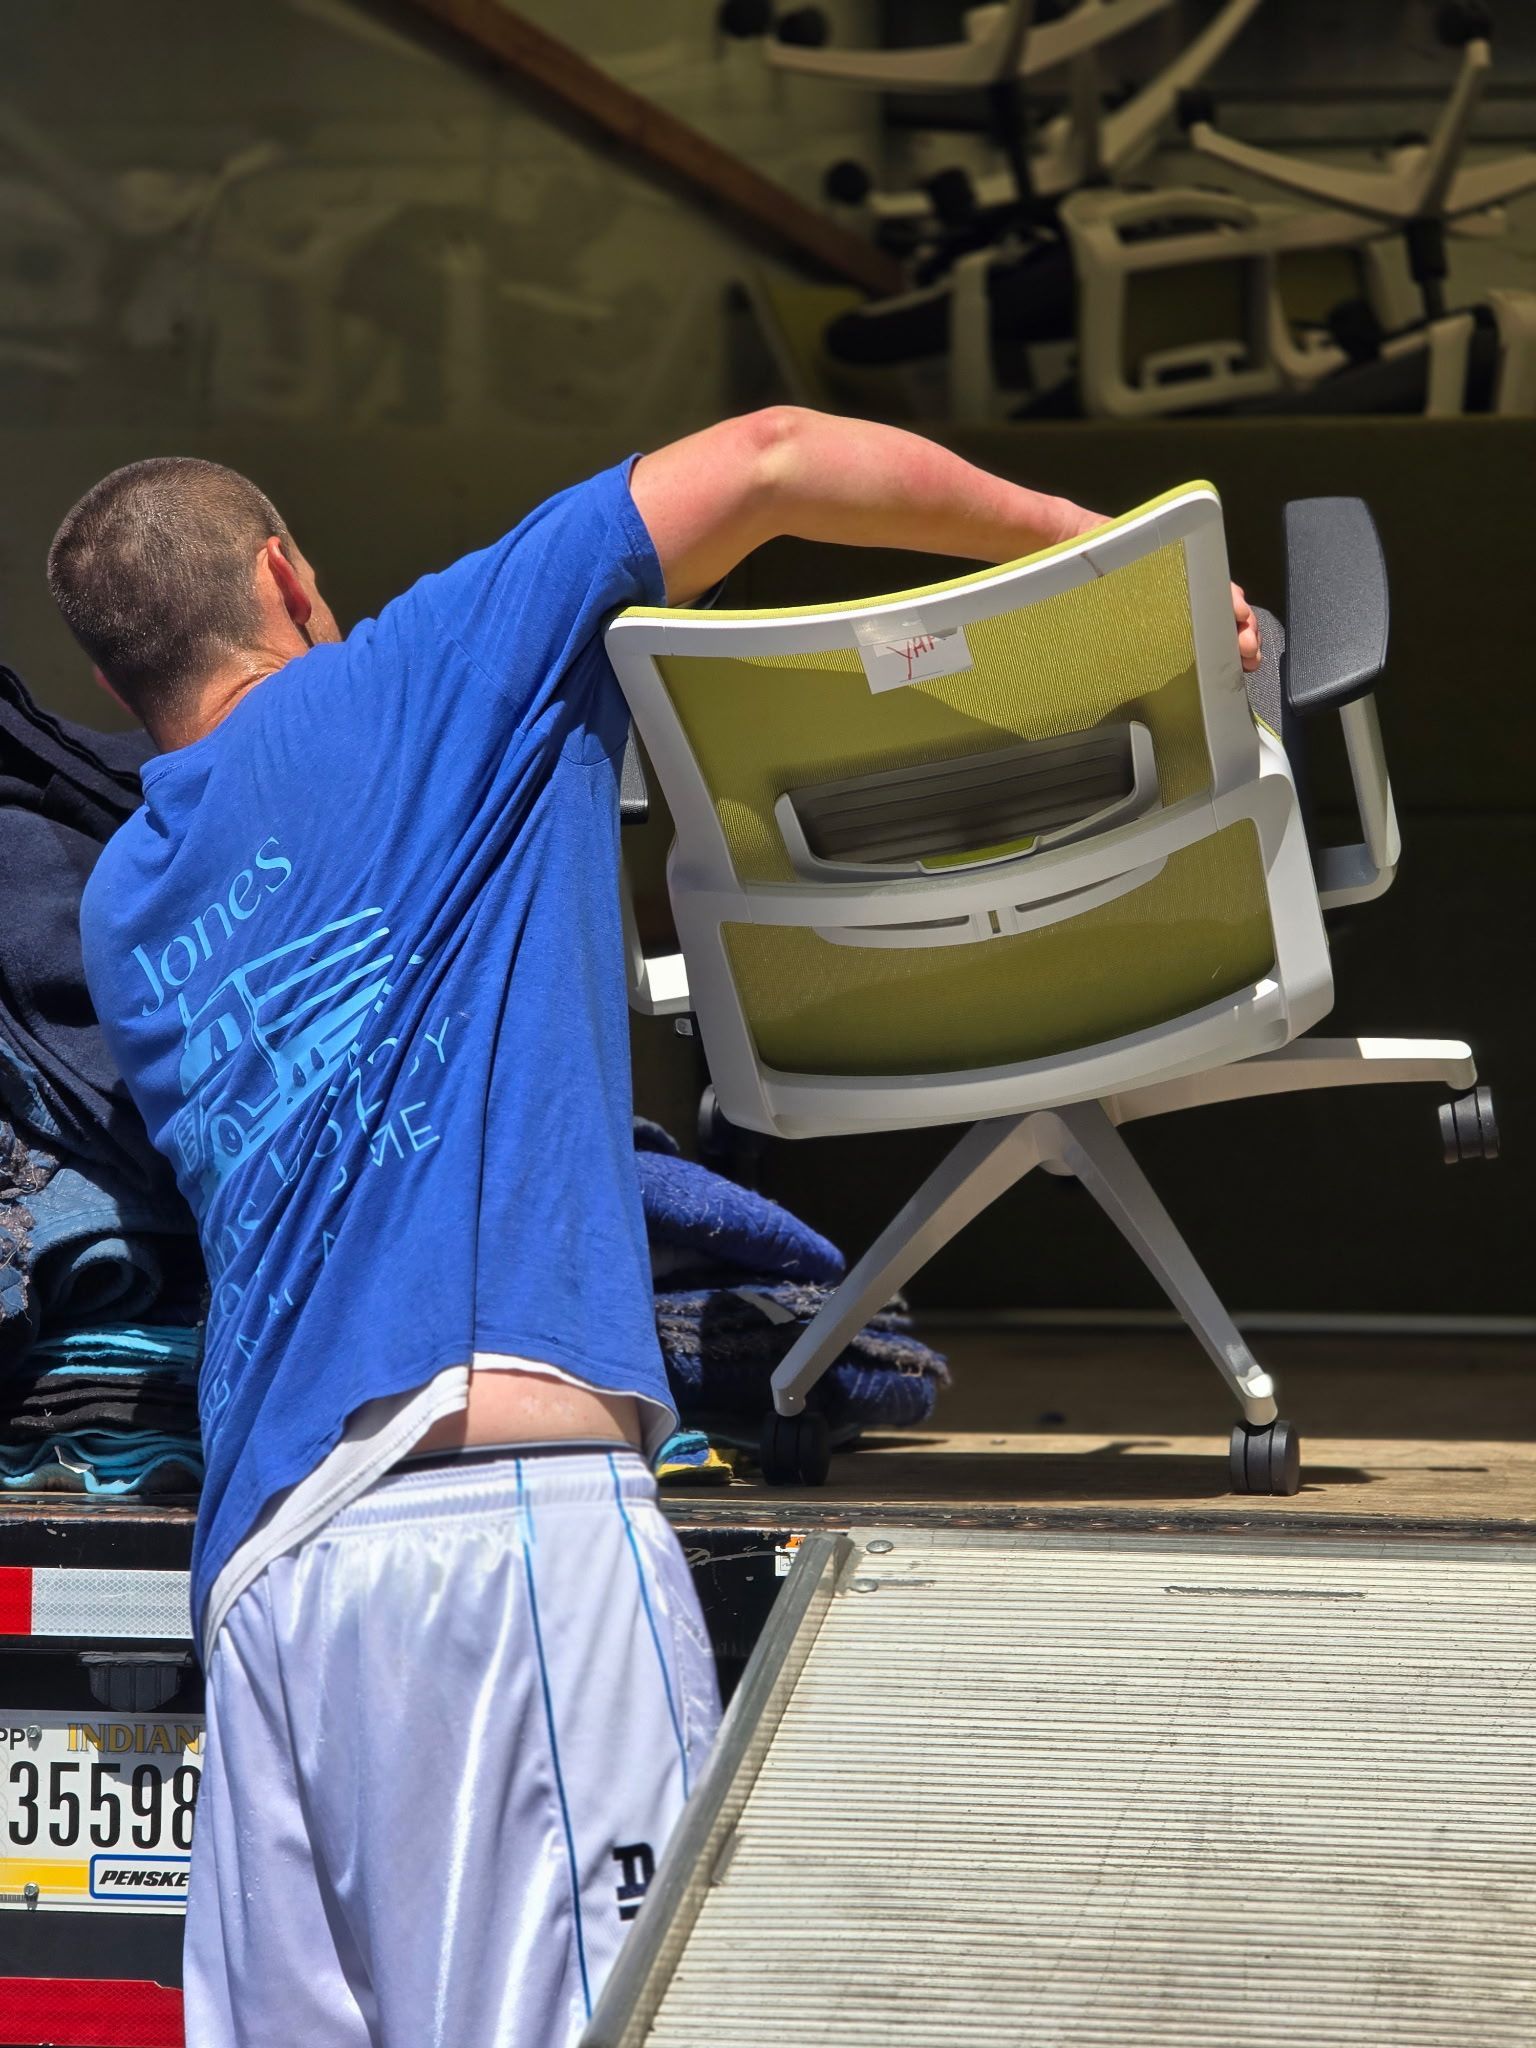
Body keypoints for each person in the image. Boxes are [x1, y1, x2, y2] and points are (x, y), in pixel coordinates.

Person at [48, 408, 1261, 2048]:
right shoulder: (436, 664)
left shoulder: (126, 907)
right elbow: (766, 459)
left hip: (269, 1580)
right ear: (287, 574)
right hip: (492, 1539)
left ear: (123, 683)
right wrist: (1088, 549)